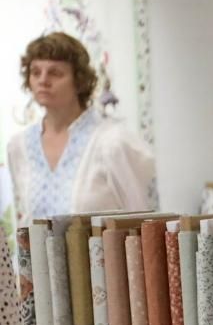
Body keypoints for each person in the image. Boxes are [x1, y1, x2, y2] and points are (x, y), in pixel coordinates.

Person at [5, 32, 154, 225]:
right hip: (39, 255)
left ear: (79, 80)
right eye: (35, 72)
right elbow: (25, 225)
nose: (43, 80)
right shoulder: (20, 146)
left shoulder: (113, 143)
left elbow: (144, 222)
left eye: (55, 73)